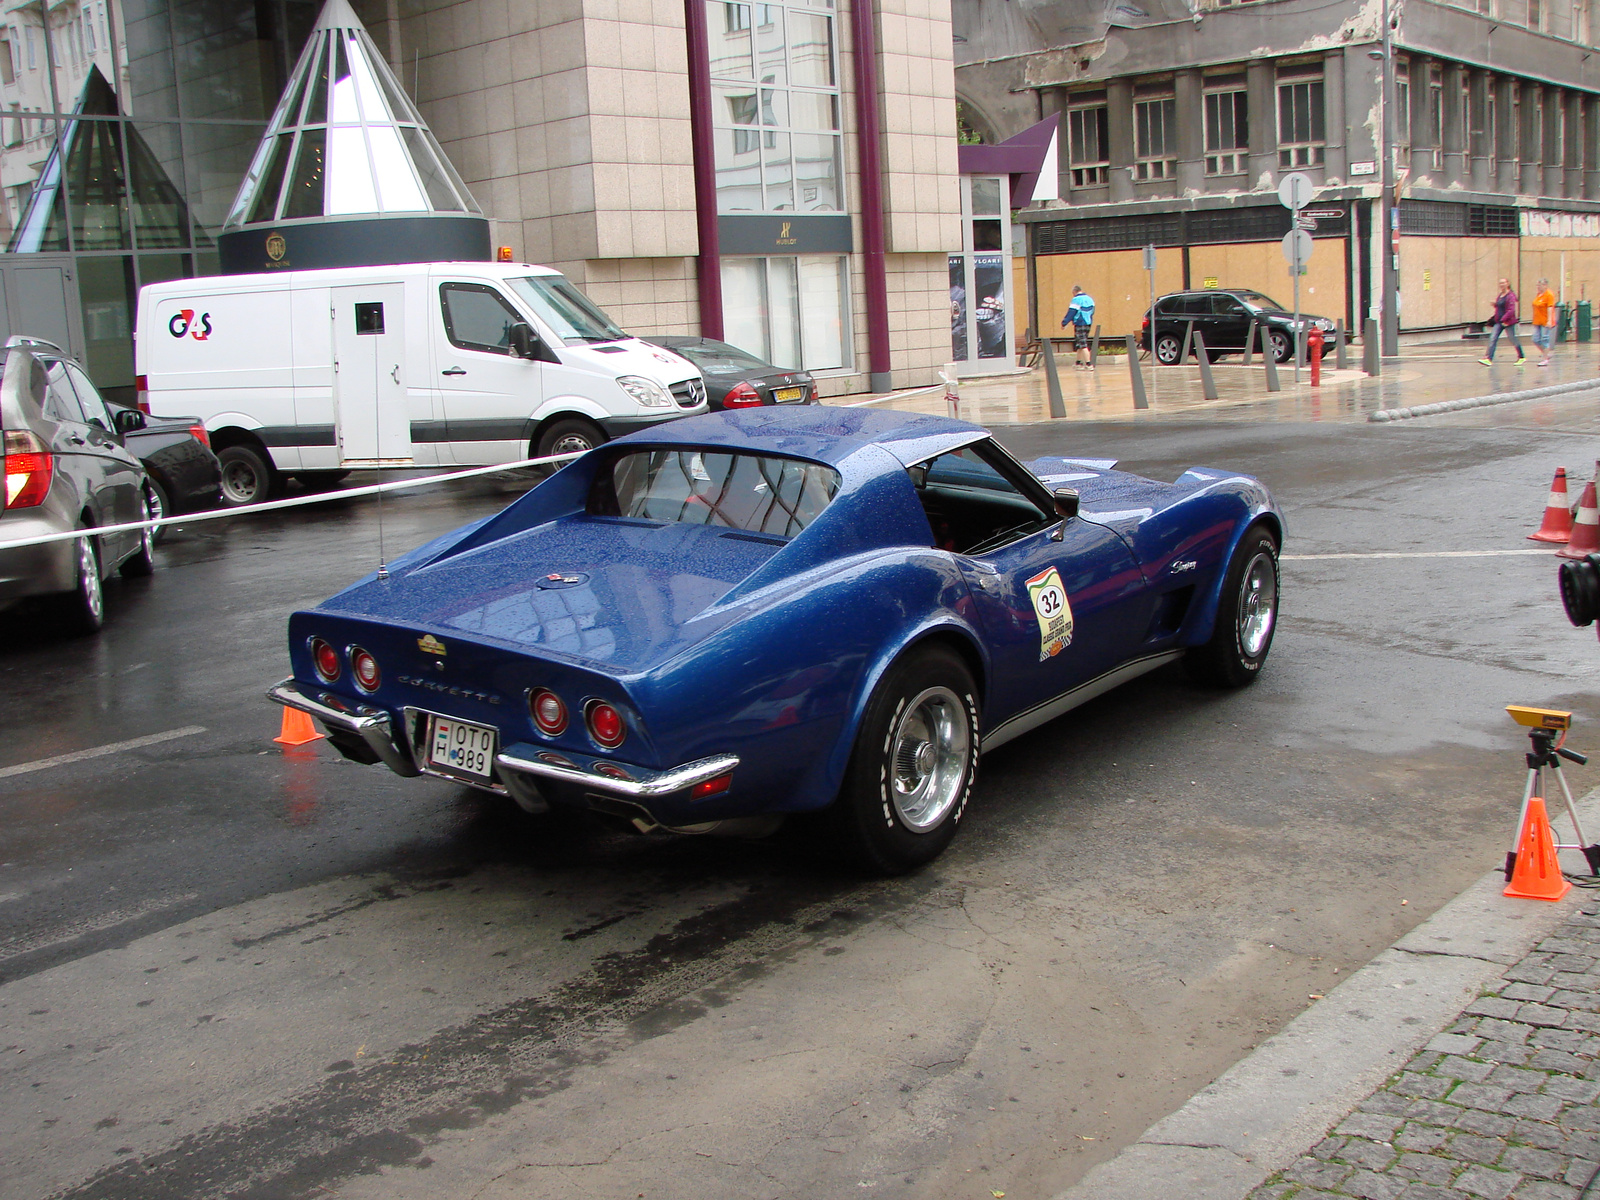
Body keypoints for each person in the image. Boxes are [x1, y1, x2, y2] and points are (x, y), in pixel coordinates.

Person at [1479, 278, 1525, 365]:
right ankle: (1489, 358)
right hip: (1499, 322)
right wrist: (1495, 305)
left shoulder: (1511, 295)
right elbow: (1501, 307)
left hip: (1508, 322)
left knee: (1512, 338)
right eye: (1500, 283)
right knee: (1493, 338)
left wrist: (1504, 319)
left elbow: (1511, 310)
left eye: (1503, 283)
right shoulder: (1500, 295)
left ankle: (1521, 356)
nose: (1501, 285)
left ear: (1508, 284)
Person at [1062, 284, 1096, 369]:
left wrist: (1064, 323)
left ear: (1074, 291)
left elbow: (1072, 312)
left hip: (1080, 323)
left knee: (1083, 344)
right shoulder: (1089, 299)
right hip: (1088, 322)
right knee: (1080, 343)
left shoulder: (1076, 299)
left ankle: (1089, 364)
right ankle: (1078, 362)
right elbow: (1092, 311)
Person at [1531, 278, 1557, 367]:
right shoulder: (1539, 294)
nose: (1538, 287)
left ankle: (1545, 359)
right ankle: (1546, 353)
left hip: (1545, 321)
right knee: (1535, 339)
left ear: (1545, 285)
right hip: (1537, 320)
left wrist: (1549, 320)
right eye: (1537, 285)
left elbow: (1550, 307)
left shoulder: (1549, 295)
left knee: (1544, 339)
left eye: (1540, 285)